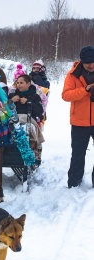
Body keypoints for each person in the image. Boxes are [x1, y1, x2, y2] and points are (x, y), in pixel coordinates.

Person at [62, 45, 94, 188]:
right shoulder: (72, 74)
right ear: (81, 61)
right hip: (79, 122)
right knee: (78, 155)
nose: (91, 65)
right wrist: (85, 90)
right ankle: (74, 184)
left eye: (93, 61)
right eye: (87, 62)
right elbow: (66, 95)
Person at [8, 74, 45, 165]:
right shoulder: (12, 95)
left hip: (28, 119)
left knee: (29, 126)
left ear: (28, 84)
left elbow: (39, 112)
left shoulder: (35, 96)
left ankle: (33, 151)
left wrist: (28, 102)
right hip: (12, 118)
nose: (19, 85)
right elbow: (3, 107)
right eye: (17, 83)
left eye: (21, 83)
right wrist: (11, 101)